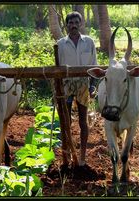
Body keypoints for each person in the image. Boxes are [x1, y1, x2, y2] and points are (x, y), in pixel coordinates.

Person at [57, 11, 98, 166]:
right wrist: (58, 88)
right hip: (66, 84)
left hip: (83, 84)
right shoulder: (60, 44)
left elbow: (95, 66)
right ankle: (67, 155)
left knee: (83, 121)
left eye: (76, 22)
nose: (73, 25)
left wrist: (93, 85)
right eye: (70, 23)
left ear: (80, 24)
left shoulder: (89, 42)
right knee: (65, 121)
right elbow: (57, 69)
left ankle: (82, 157)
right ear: (66, 25)